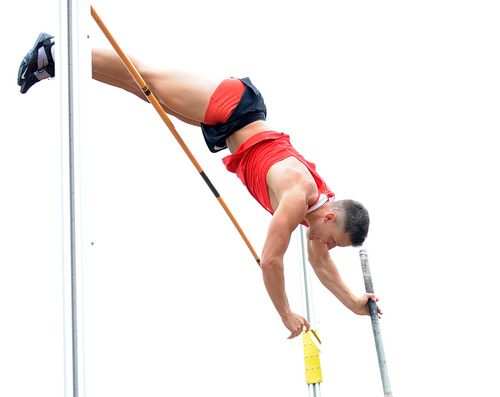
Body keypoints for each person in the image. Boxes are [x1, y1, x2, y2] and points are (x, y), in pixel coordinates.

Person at [18, 33, 382, 339]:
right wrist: (285, 312)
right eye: (334, 241)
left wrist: (353, 303)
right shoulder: (297, 195)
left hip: (233, 121)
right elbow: (271, 260)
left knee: (145, 92)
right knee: (144, 74)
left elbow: (319, 264)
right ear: (332, 218)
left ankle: (52, 63)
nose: (327, 247)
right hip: (232, 106)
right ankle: (54, 48)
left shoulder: (317, 213)